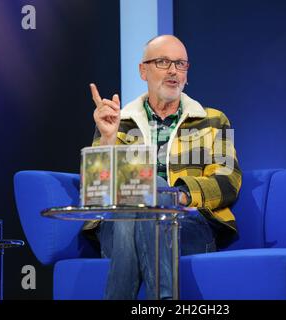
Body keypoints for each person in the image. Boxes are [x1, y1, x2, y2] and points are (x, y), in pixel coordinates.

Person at [82, 35, 242, 300]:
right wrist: (108, 140)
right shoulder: (117, 122)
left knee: (150, 191)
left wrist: (177, 196)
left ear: (187, 74)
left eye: (180, 64)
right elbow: (98, 195)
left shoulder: (214, 120)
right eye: (163, 62)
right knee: (142, 198)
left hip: (188, 224)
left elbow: (228, 179)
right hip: (119, 226)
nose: (173, 71)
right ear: (143, 70)